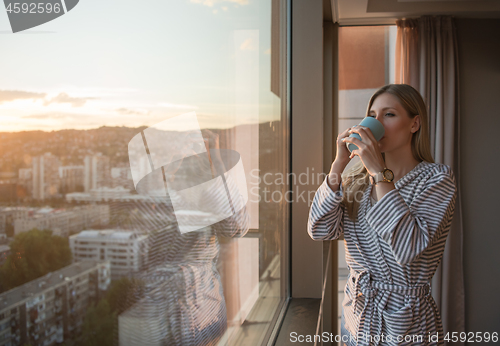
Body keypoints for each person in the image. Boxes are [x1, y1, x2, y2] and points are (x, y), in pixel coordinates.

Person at [307, 84, 457, 346]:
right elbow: (319, 230)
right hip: (357, 315)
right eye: (373, 116)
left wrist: (379, 173)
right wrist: (338, 165)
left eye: (389, 114)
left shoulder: (436, 179)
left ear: (414, 124)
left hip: (405, 322)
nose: (377, 123)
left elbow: (408, 247)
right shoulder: (357, 181)